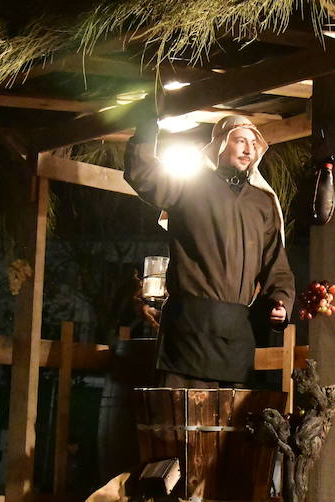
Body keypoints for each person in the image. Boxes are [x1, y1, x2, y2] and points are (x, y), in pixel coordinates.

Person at [123, 111, 295, 387]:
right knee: (179, 423)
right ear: (220, 145)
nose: (248, 148)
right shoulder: (190, 186)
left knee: (229, 425)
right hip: (189, 329)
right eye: (240, 140)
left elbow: (276, 262)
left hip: (236, 334)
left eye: (254, 143)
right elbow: (143, 175)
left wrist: (281, 301)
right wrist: (146, 124)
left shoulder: (261, 203)